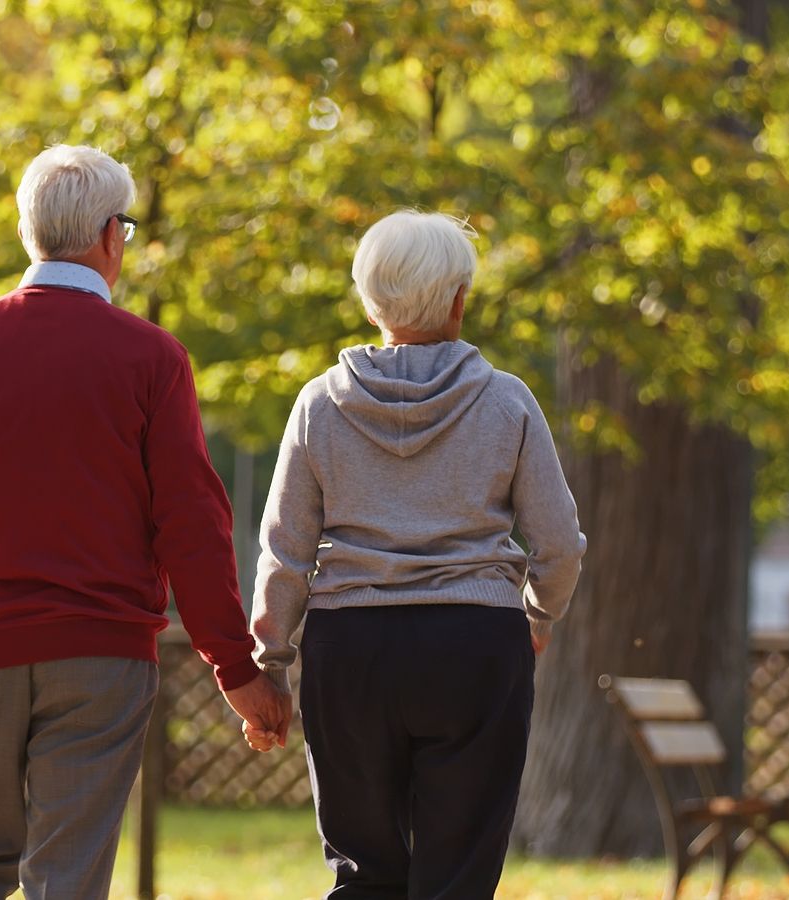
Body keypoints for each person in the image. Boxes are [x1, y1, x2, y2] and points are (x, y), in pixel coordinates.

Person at [0, 144, 288, 900]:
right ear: (111, 236)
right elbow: (191, 525)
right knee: (66, 880)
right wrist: (234, 668)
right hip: (100, 654)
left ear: (26, 233)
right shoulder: (152, 358)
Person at [247, 210, 587, 899]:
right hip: (474, 645)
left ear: (370, 302)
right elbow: (557, 544)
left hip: (351, 650)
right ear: (460, 300)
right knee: (458, 876)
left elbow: (285, 551)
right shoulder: (507, 402)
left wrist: (270, 663)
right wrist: (538, 615)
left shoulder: (320, 404)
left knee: (362, 872)